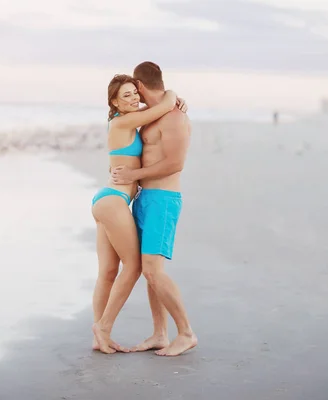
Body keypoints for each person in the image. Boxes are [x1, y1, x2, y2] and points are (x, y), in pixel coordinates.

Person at [91, 74, 187, 354]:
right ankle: (103, 328)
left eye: (135, 93)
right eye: (126, 95)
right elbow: (159, 108)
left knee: (108, 272)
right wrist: (172, 95)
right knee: (133, 268)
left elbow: (151, 111)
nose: (134, 99)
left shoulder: (130, 118)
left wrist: (171, 99)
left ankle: (99, 336)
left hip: (107, 200)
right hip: (114, 200)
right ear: (114, 102)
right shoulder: (122, 121)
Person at [110, 61, 197, 357]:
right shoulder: (150, 117)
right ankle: (160, 333)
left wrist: (132, 176)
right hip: (146, 198)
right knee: (150, 273)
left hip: (163, 199)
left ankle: (185, 332)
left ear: (142, 85)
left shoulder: (174, 118)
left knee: (154, 271)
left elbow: (175, 163)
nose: (136, 97)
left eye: (137, 91)